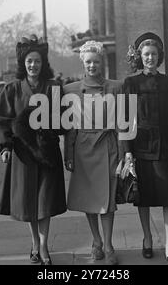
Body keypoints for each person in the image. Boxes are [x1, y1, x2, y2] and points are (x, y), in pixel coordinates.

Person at [0, 34, 67, 265]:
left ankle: (44, 247)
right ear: (23, 64)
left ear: (43, 63)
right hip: (23, 154)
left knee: (45, 202)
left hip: (47, 154)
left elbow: (64, 120)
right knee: (29, 203)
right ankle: (35, 242)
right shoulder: (12, 89)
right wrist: (5, 147)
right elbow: (3, 119)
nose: (33, 65)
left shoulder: (54, 87)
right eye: (29, 61)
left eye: (37, 61)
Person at [123, 32, 168, 265]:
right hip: (141, 148)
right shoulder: (131, 83)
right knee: (144, 197)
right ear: (140, 56)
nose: (150, 58)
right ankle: (147, 238)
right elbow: (126, 119)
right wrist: (128, 151)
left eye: (154, 54)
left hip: (166, 148)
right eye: (146, 54)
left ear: (160, 57)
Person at [64, 41, 122, 265]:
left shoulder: (116, 88)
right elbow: (70, 128)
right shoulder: (70, 90)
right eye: (88, 61)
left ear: (102, 63)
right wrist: (68, 154)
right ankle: (96, 242)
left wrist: (125, 155)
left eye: (96, 62)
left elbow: (122, 124)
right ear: (82, 62)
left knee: (107, 201)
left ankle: (108, 246)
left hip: (108, 148)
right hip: (83, 150)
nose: (92, 65)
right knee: (89, 200)